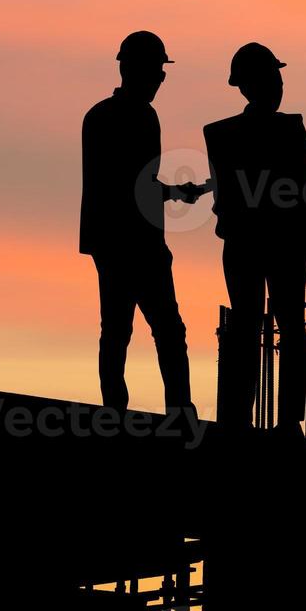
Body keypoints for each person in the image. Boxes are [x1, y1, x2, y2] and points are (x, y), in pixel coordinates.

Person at [204, 42, 306, 433]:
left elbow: (229, 200)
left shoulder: (224, 135)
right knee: (279, 326)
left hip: (253, 243)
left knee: (255, 325)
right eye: (275, 77)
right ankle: (279, 419)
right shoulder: (284, 131)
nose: (280, 85)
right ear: (255, 84)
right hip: (277, 243)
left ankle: (255, 417)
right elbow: (305, 189)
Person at [80, 31, 203, 414]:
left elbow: (133, 184)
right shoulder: (140, 118)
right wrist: (173, 193)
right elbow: (134, 186)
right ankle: (179, 411)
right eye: (156, 70)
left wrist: (170, 193)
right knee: (167, 330)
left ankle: (115, 409)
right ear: (132, 69)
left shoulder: (99, 115)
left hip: (111, 239)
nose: (160, 79)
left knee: (116, 329)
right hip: (135, 241)